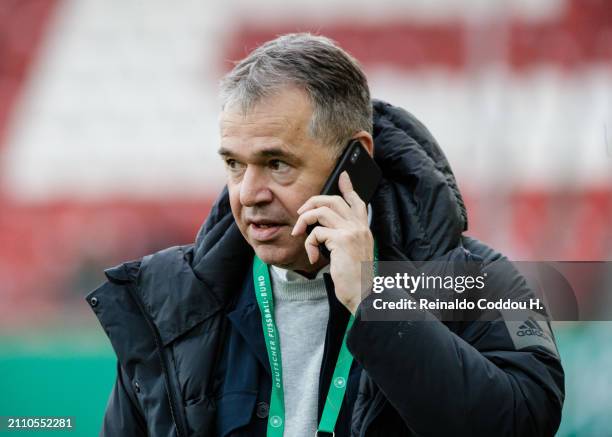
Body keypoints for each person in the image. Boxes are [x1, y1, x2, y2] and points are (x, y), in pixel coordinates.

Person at [86, 33, 564, 436]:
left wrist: (377, 302)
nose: (249, 194)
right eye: (234, 164)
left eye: (277, 164)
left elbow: (528, 418)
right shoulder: (170, 299)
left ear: (353, 162)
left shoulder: (489, 281)